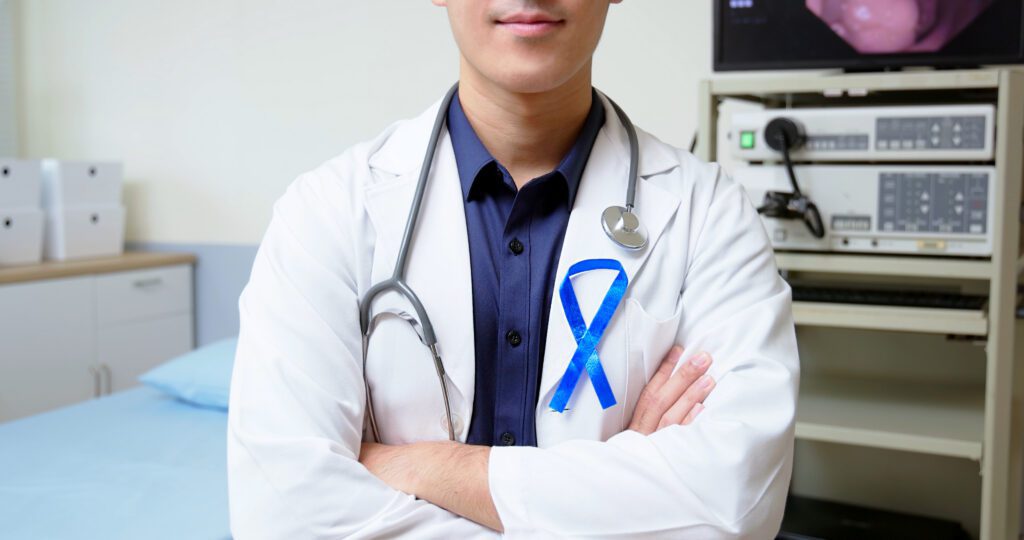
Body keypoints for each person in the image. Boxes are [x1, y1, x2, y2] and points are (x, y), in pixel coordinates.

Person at [227, 1, 799, 538]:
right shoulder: (327, 210)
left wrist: (434, 469)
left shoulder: (710, 214)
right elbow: (282, 513)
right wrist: (619, 505)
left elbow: (738, 501)